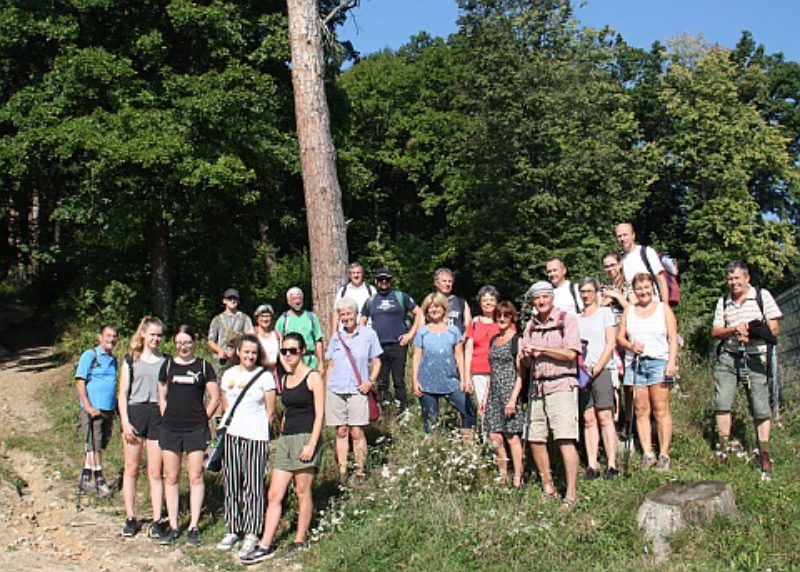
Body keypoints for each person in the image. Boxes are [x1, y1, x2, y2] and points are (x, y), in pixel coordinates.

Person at [240, 333, 324, 564]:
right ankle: (265, 544)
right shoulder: (284, 378)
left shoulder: (313, 377)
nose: (288, 355)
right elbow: (287, 411)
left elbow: (320, 415)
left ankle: (299, 539)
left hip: (306, 437)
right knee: (274, 494)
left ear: (302, 351)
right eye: (284, 351)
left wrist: (311, 444)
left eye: (293, 351)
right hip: (286, 440)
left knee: (302, 492)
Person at [509, 281, 580, 509]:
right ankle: (547, 486)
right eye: (536, 299)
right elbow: (529, 363)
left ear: (552, 298)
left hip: (561, 385)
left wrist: (543, 351)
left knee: (564, 438)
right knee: (535, 438)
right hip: (537, 387)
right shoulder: (530, 326)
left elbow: (571, 354)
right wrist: (525, 355)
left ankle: (570, 494)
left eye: (544, 297)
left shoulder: (566, 320)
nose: (541, 302)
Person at [711, 261, 782, 477]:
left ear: (746, 278)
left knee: (760, 404)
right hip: (729, 356)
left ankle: (764, 451)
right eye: (730, 279)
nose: (733, 283)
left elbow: (775, 328)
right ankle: (723, 447)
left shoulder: (762, 296)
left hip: (755, 357)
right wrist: (733, 330)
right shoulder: (724, 301)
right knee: (722, 401)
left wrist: (751, 334)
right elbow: (715, 331)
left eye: (737, 278)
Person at [157, 325, 220, 547]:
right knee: (171, 477)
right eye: (179, 343)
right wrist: (166, 416)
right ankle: (174, 525)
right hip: (171, 429)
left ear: (194, 343)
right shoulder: (167, 366)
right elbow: (162, 394)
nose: (184, 346)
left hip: (196, 429)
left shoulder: (204, 366)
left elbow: (215, 397)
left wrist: (203, 418)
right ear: (175, 343)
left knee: (195, 477)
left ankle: (193, 526)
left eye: (188, 342)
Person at [216, 334, 277, 557]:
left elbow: (271, 410)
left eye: (253, 352)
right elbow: (225, 405)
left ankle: (252, 531)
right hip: (232, 435)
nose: (250, 356)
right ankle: (233, 528)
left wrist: (263, 432)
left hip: (256, 437)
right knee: (232, 482)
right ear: (238, 353)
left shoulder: (265, 377)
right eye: (246, 352)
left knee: (253, 485)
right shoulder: (229, 375)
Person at [617, 273, 678, 472]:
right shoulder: (629, 311)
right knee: (641, 410)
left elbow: (673, 338)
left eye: (646, 287)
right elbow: (620, 338)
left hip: (658, 362)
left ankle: (664, 454)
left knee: (661, 410)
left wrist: (671, 363)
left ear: (653, 288)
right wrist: (630, 345)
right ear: (633, 291)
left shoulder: (663, 309)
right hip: (636, 364)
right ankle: (647, 453)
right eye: (639, 288)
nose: (643, 292)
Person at [118, 316, 168, 538]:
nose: (156, 338)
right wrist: (125, 422)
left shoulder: (167, 361)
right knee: (131, 468)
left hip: (158, 413)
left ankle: (158, 519)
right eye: (152, 334)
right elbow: (122, 394)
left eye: (159, 335)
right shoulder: (130, 360)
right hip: (136, 412)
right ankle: (130, 516)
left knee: (156, 471)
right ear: (143, 335)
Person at [325, 298, 382, 485]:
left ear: (356, 314)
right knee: (341, 431)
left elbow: (377, 362)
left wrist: (370, 381)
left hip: (358, 389)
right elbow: (331, 365)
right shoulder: (336, 337)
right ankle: (342, 470)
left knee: (357, 431)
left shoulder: (368, 334)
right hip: (336, 388)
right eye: (342, 314)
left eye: (349, 313)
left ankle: (360, 471)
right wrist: (327, 389)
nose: (346, 317)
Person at [411, 293, 476, 436]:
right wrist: (414, 381)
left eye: (437, 306)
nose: (434, 310)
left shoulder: (453, 331)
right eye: (430, 307)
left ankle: (468, 446)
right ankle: (432, 449)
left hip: (451, 381)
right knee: (430, 421)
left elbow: (459, 355)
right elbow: (416, 357)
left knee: (469, 411)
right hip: (427, 383)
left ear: (444, 308)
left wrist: (464, 379)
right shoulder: (422, 332)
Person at [576, 278, 619, 480]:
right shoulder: (576, 318)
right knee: (588, 418)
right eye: (582, 291)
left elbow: (610, 343)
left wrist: (598, 367)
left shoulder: (605, 314)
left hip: (601, 369)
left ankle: (611, 463)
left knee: (605, 416)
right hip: (583, 373)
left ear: (596, 292)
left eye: (589, 291)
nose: (585, 295)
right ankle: (592, 464)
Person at [360, 268, 420, 412]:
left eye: (387, 279)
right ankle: (385, 412)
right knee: (382, 382)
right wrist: (366, 339)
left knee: (399, 380)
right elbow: (362, 320)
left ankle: (402, 411)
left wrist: (410, 334)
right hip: (378, 347)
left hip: (398, 344)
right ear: (376, 281)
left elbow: (419, 313)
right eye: (381, 280)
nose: (384, 282)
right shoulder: (371, 300)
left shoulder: (400, 296)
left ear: (391, 281)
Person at [479, 301, 524, 487]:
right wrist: (484, 397)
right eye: (499, 315)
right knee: (495, 437)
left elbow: (521, 374)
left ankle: (517, 476)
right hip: (494, 392)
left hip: (509, 392)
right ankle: (503, 473)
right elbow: (492, 371)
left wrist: (513, 399)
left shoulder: (517, 339)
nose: (502, 319)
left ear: (512, 317)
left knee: (512, 436)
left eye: (506, 315)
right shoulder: (494, 340)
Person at [74, 324, 119, 498]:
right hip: (92, 408)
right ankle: (100, 479)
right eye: (108, 335)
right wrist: (87, 406)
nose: (111, 339)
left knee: (100, 443)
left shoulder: (113, 359)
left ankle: (86, 477)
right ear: (100, 337)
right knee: (95, 445)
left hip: (108, 409)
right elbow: (80, 381)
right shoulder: (90, 355)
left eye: (114, 336)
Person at [465, 286, 501, 420]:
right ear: (480, 303)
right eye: (485, 300)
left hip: (498, 371)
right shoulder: (474, 322)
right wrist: (467, 376)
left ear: (497, 302)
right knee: (483, 408)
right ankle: (487, 438)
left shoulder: (503, 321)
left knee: (498, 407)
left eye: (492, 299)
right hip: (478, 372)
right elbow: (468, 350)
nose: (488, 303)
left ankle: (500, 439)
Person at [615, 223, 669, 303]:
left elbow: (661, 280)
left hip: (653, 305)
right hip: (634, 309)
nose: (622, 238)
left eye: (625, 235)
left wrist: (665, 307)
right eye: (619, 236)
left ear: (633, 235)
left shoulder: (646, 252)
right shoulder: (621, 259)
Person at [275, 287, 324, 375]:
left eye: (299, 298)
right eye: (294, 299)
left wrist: (320, 363)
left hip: (310, 362)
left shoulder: (311, 317)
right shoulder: (283, 319)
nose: (297, 301)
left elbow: (318, 340)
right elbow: (277, 342)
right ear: (288, 301)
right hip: (291, 362)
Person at [208, 288, 254, 371]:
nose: (233, 301)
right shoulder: (217, 319)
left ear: (238, 301)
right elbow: (210, 341)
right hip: (221, 361)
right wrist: (220, 351)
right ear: (224, 301)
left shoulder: (245, 319)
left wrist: (236, 351)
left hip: (239, 360)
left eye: (235, 298)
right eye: (230, 298)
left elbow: (250, 339)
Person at [331, 262, 376, 336]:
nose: (356, 275)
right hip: (345, 333)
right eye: (353, 273)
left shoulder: (371, 290)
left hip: (366, 332)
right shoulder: (343, 291)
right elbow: (336, 312)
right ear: (349, 275)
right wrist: (334, 332)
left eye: (358, 273)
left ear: (362, 274)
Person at [252, 304, 281, 381]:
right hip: (255, 374)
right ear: (257, 318)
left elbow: (281, 355)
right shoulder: (251, 334)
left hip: (274, 375)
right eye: (262, 316)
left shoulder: (277, 335)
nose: (265, 319)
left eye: (268, 316)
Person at [600, 252, 629, 319]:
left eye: (612, 265)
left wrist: (617, 296)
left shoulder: (628, 285)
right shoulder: (603, 288)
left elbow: (634, 310)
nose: (610, 269)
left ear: (620, 264)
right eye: (606, 267)